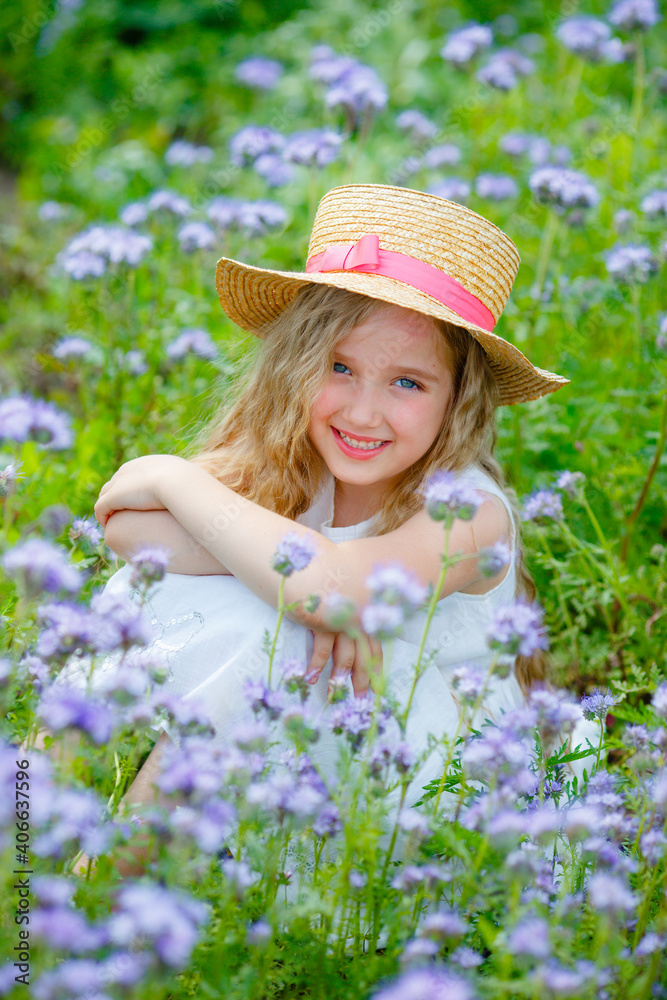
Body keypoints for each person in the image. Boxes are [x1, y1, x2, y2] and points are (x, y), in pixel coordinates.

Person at [62, 183, 581, 873]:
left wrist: (174, 480)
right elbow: (126, 530)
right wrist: (294, 578)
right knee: (265, 606)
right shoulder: (295, 466)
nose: (363, 413)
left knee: (270, 624)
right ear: (296, 366)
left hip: (413, 798)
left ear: (459, 399)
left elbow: (330, 588)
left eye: (407, 383)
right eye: (340, 367)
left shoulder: (470, 513)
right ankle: (50, 816)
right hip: (299, 752)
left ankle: (105, 884)